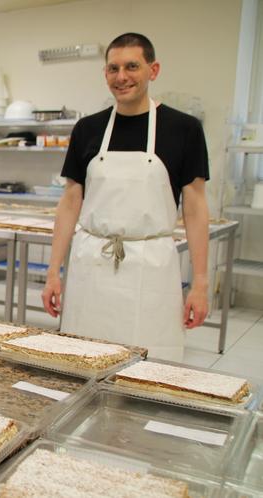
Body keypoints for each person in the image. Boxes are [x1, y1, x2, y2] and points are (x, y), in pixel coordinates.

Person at [41, 33, 210, 361]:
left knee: (149, 368)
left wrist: (200, 284)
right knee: (84, 358)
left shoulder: (183, 129)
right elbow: (70, 201)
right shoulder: (87, 129)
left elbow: (195, 207)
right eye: (113, 68)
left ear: (153, 69)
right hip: (91, 265)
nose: (122, 77)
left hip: (151, 267)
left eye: (132, 66)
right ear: (105, 73)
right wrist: (53, 273)